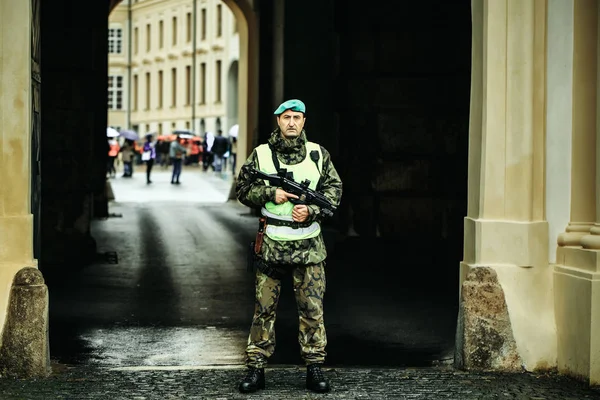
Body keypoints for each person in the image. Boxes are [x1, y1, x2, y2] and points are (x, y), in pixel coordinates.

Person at [235, 99, 343, 394]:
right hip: (271, 245)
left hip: (309, 247)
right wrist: (271, 193)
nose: (292, 122)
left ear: (304, 121)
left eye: (297, 117)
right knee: (264, 310)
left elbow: (334, 191)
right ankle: (256, 368)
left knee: (312, 310)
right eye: (286, 118)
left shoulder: (318, 155)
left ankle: (314, 367)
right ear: (278, 121)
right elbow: (242, 190)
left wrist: (311, 211)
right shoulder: (261, 155)